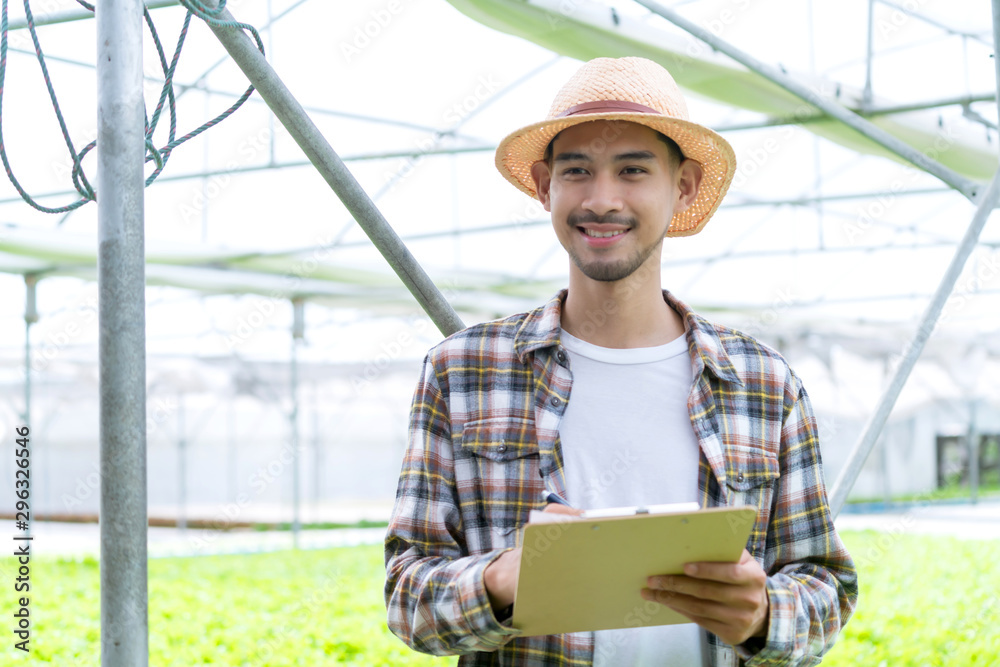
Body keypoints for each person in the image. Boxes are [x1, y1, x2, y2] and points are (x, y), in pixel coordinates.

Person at [384, 56, 857, 666]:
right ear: (543, 185)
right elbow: (405, 595)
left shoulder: (764, 384)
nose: (601, 200)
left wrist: (766, 613)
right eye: (576, 170)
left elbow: (826, 584)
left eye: (633, 170)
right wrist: (502, 580)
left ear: (682, 186)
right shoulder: (463, 372)